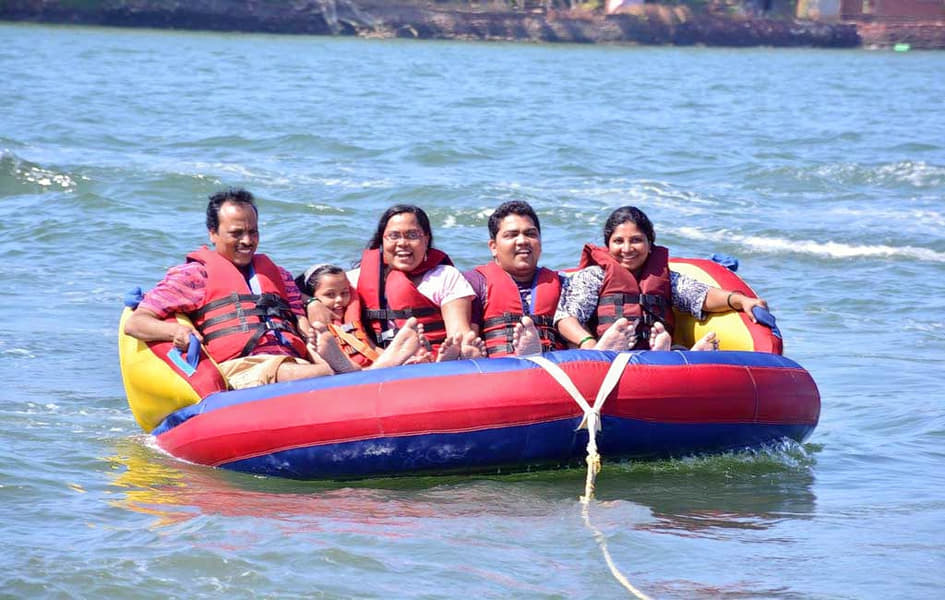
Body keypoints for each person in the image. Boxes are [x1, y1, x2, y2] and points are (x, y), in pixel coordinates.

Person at [123, 188, 353, 389]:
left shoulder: (279, 275)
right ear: (213, 233)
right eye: (236, 233)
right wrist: (176, 332)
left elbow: (296, 307)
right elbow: (136, 323)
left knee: (335, 372)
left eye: (253, 232)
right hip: (242, 369)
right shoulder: (194, 275)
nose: (247, 241)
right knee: (320, 374)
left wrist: (310, 304)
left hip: (292, 364)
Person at [555, 205, 769, 351]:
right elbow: (566, 318)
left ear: (650, 245)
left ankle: (671, 354)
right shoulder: (594, 276)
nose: (627, 248)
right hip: (605, 352)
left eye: (636, 240)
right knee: (600, 348)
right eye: (618, 241)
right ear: (608, 245)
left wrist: (741, 300)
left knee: (674, 349)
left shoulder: (663, 277)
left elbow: (700, 296)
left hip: (655, 359)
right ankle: (610, 349)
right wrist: (589, 344)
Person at [351, 204, 485, 360]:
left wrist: (461, 344)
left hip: (432, 355)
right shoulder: (356, 279)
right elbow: (321, 290)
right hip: (381, 356)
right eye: (394, 236)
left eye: (412, 235)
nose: (402, 243)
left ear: (426, 239)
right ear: (382, 240)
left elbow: (458, 330)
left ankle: (450, 358)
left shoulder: (444, 276)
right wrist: (314, 303)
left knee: (458, 343)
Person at [463, 201, 560, 357]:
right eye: (512, 235)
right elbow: (469, 335)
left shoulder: (562, 283)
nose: (522, 241)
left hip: (554, 369)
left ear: (540, 244)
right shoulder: (475, 282)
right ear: (493, 247)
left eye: (531, 234)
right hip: (499, 370)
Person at [295, 263, 432, 370]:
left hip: (365, 367)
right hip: (338, 370)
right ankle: (391, 359)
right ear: (313, 296)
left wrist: (389, 354)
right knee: (322, 350)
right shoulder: (312, 323)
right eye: (330, 295)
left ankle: (400, 357)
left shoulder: (349, 318)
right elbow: (292, 291)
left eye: (344, 293)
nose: (339, 300)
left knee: (389, 358)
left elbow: (370, 347)